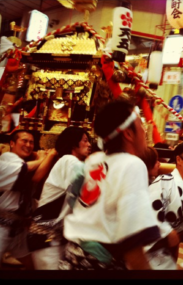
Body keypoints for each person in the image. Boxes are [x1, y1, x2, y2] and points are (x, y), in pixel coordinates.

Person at [59, 100, 160, 270]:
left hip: (73, 255)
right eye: (141, 125)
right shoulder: (132, 164)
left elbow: (73, 198)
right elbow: (132, 238)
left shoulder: (95, 161)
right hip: (96, 263)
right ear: (128, 134)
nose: (145, 131)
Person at [27, 126, 92, 270]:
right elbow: (89, 189)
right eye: (85, 140)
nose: (89, 145)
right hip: (47, 238)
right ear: (73, 143)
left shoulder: (71, 163)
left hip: (55, 238)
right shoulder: (69, 160)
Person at [143, 141, 183, 269]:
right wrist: (169, 234)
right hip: (147, 257)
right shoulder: (164, 182)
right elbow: (145, 218)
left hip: (169, 258)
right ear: (179, 160)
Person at [0, 129, 54, 270]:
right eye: (24, 141)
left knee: (33, 264)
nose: (28, 145)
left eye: (31, 142)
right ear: (12, 143)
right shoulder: (8, 158)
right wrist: (48, 156)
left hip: (18, 228)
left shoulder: (25, 161)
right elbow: (32, 176)